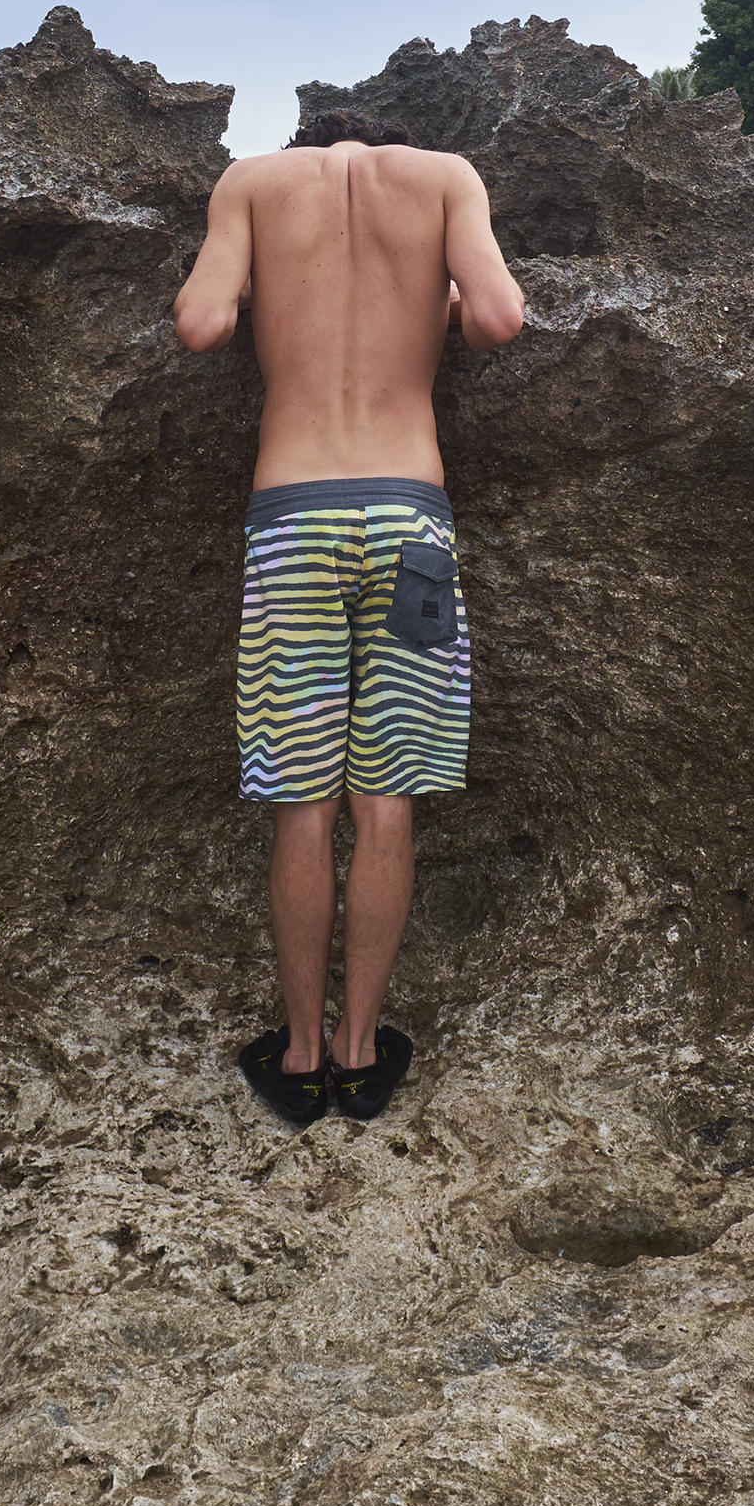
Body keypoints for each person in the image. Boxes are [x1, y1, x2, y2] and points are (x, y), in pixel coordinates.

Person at [174, 108, 525, 1126]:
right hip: (409, 518)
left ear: (307, 139)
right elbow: (499, 318)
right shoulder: (446, 177)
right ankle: (361, 1052)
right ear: (388, 138)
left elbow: (199, 326)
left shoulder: (250, 183)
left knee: (302, 801)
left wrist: (245, 298)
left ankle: (296, 1058)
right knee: (386, 799)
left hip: (294, 520)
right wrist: (449, 303)